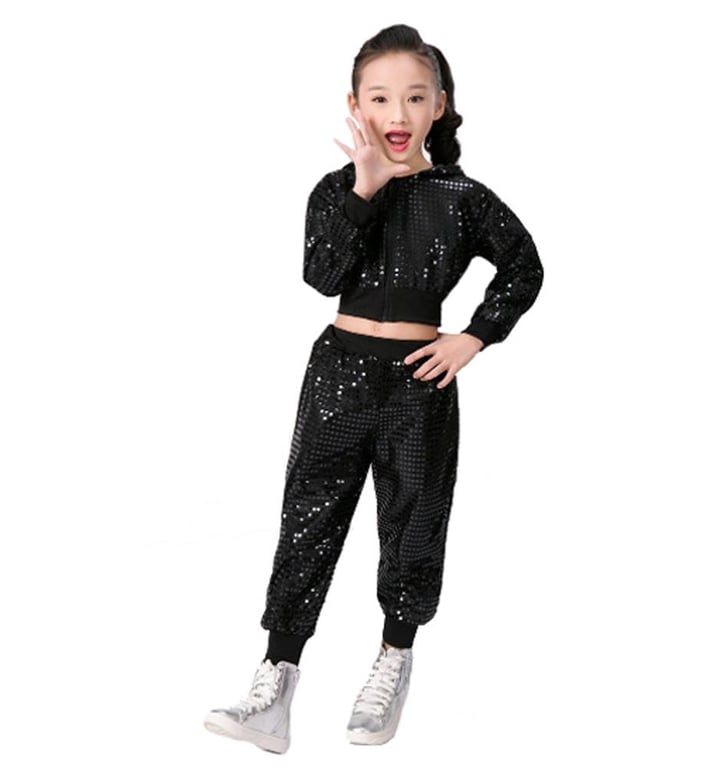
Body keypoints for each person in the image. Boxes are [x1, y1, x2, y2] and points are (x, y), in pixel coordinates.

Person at [203, 22, 543, 754]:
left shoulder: (462, 196)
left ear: (439, 106)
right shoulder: (336, 191)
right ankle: (275, 681)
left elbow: (525, 266)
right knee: (308, 518)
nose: (398, 113)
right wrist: (363, 189)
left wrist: (474, 336)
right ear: (355, 105)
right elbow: (322, 274)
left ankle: (393, 658)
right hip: (338, 374)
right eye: (381, 97)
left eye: (415, 97)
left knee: (414, 522)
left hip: (420, 384)